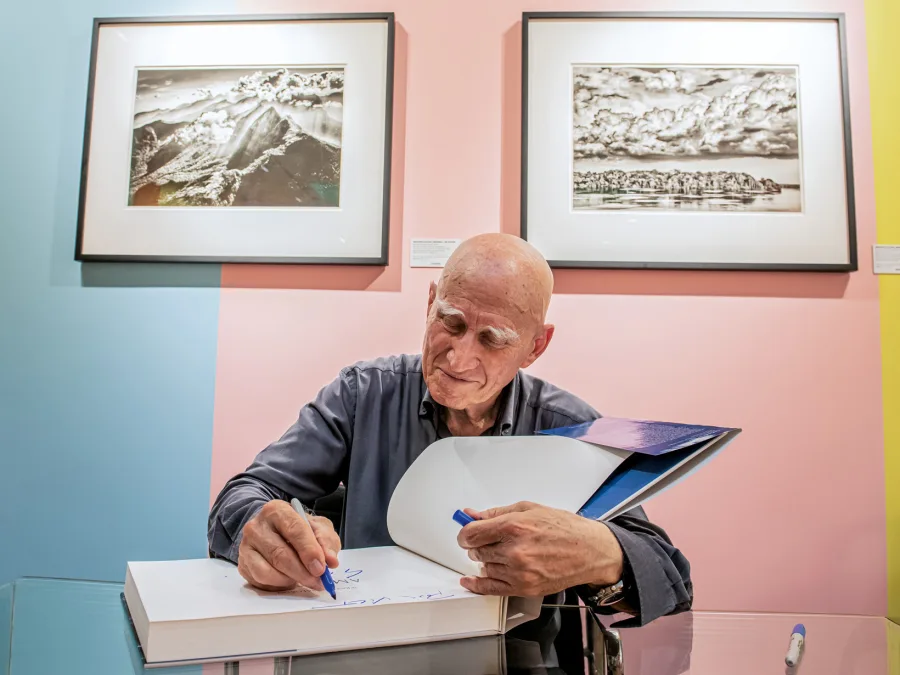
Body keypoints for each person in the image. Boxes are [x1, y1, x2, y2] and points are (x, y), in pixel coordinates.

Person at [208, 233, 692, 627]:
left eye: (492, 339)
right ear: (430, 303)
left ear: (535, 347)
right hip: (365, 644)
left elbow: (672, 578)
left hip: (514, 657)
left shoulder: (571, 428)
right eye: (451, 322)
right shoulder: (362, 394)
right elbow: (244, 493)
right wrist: (261, 527)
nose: (459, 357)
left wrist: (602, 554)